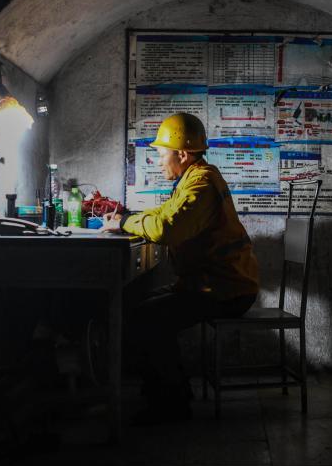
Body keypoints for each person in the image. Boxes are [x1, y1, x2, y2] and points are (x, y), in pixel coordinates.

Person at [102, 112, 259, 425]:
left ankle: (171, 404)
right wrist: (127, 218)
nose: (159, 162)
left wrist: (124, 222)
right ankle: (169, 391)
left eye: (163, 155)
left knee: (146, 318)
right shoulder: (192, 179)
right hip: (210, 284)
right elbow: (163, 214)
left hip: (226, 290)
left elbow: (167, 228)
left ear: (183, 155)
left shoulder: (201, 183)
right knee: (138, 307)